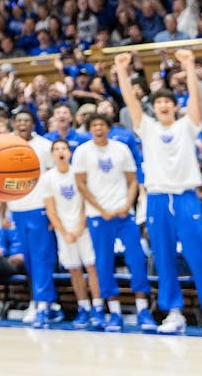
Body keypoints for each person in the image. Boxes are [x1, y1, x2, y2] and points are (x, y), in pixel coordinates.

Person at [115, 49, 202, 335]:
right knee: (163, 257)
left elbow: (195, 100)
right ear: (154, 107)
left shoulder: (187, 126)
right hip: (156, 199)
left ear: (175, 106)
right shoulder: (148, 127)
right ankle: (174, 313)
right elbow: (130, 101)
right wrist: (121, 70)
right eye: (160, 102)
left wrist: (189, 65)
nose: (165, 105)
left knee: (200, 256)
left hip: (185, 198)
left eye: (169, 101)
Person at [72, 112, 155, 332]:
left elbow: (132, 181)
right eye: (94, 125)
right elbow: (81, 184)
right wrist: (100, 209)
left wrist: (126, 205)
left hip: (123, 214)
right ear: (90, 129)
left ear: (109, 128)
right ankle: (114, 312)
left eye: (102, 125)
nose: (98, 128)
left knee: (136, 259)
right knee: (103, 263)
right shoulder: (82, 152)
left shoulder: (121, 149)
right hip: (98, 216)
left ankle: (143, 310)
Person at [40, 139, 101, 330]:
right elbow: (50, 210)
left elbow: (86, 201)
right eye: (56, 149)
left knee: (92, 267)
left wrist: (80, 226)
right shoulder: (48, 178)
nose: (60, 151)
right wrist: (65, 232)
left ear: (70, 152)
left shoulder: (78, 173)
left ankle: (98, 308)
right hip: (64, 231)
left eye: (64, 148)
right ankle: (83, 308)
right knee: (74, 269)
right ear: (52, 155)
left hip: (84, 228)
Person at [7, 109, 59, 327]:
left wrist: (52, 211)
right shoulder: (5, 146)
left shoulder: (44, 146)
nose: (22, 124)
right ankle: (41, 302)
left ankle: (43, 305)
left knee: (41, 260)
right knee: (27, 260)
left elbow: (56, 177)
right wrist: (5, 211)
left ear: (33, 124)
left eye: (26, 120)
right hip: (17, 208)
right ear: (14, 123)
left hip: (39, 208)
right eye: (18, 120)